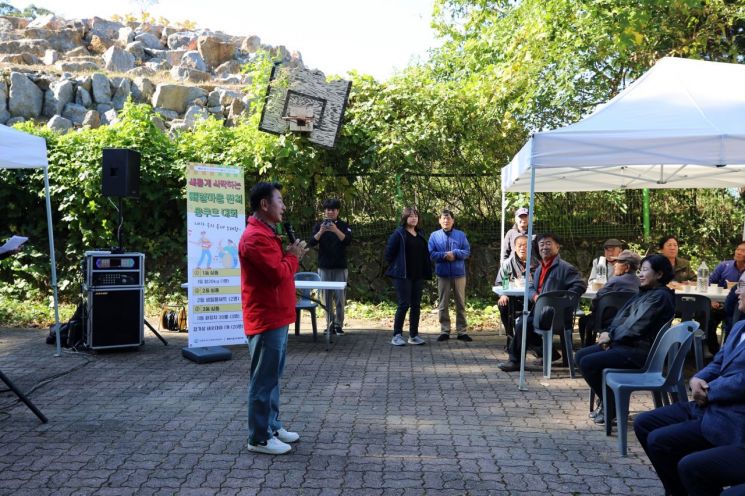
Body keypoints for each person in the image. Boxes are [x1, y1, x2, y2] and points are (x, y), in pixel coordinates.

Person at [633, 284, 745, 496]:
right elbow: (719, 361)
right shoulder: (740, 327)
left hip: (729, 413)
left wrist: (709, 390)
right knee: (644, 423)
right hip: (708, 403)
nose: (737, 292)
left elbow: (742, 381)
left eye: (742, 286)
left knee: (667, 446)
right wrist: (698, 378)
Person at [239, 182, 309, 455]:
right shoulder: (254, 237)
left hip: (277, 315)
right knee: (263, 379)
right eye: (279, 200)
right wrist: (293, 257)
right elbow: (277, 274)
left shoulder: (268, 233)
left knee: (273, 376)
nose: (284, 206)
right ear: (264, 205)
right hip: (265, 318)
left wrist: (289, 254)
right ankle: (258, 437)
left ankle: (272, 425)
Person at [575, 254, 675, 425]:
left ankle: (612, 406)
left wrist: (612, 338)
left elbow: (638, 326)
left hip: (640, 352)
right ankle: (610, 402)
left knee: (589, 363)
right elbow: (622, 318)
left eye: (645, 270)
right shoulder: (646, 292)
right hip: (626, 344)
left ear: (659, 274)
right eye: (640, 270)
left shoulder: (659, 297)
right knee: (580, 356)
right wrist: (609, 335)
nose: (640, 274)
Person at [498, 232, 587, 372]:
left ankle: (515, 360)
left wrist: (561, 301)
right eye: (541, 244)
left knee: (523, 324)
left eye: (548, 243)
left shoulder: (566, 268)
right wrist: (534, 296)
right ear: (538, 249)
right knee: (522, 322)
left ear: (558, 247)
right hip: (540, 311)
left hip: (557, 315)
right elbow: (531, 287)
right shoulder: (540, 268)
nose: (544, 247)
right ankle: (547, 355)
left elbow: (580, 286)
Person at [385, 206, 432, 346]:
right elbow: (388, 254)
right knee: (404, 304)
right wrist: (398, 266)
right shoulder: (398, 234)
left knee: (416, 305)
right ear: (405, 218)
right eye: (411, 216)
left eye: (416, 216)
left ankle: (413, 335)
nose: (414, 218)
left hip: (418, 275)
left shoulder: (420, 234)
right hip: (402, 275)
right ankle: (397, 335)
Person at [579, 249, 641, 347]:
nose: (615, 265)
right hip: (630, 322)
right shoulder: (640, 283)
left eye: (618, 262)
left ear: (627, 267)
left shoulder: (615, 281)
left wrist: (593, 310)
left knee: (583, 320)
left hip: (606, 322)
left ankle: (586, 346)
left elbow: (597, 300)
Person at [308, 198, 353, 336]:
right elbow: (312, 242)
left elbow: (348, 241)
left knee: (340, 297)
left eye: (332, 209)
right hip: (324, 267)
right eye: (327, 209)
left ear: (337, 211)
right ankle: (329, 324)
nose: (329, 212)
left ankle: (338, 324)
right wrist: (321, 231)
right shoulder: (319, 225)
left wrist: (335, 230)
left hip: (340, 266)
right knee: (325, 297)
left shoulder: (344, 225)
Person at [428, 209, 472, 342]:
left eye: (448, 218)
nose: (446, 221)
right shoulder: (434, 236)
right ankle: (444, 331)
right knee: (443, 304)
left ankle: (462, 331)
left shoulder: (461, 235)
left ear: (453, 221)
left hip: (459, 274)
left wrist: (456, 253)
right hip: (442, 275)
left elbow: (467, 252)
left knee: (461, 303)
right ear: (439, 221)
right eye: (443, 218)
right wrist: (444, 256)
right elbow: (431, 254)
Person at [706, 241, 745, 353]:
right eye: (738, 249)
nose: (738, 252)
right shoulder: (724, 266)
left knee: (733, 321)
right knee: (709, 318)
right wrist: (711, 301)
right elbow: (708, 283)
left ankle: (728, 352)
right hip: (720, 305)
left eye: (743, 251)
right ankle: (714, 352)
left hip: (739, 308)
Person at [496, 234, 531, 341]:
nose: (522, 248)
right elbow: (501, 283)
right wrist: (503, 294)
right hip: (513, 298)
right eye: (519, 245)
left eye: (525, 245)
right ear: (515, 248)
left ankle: (533, 340)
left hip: (532, 298)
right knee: (503, 305)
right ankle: (510, 336)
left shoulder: (537, 263)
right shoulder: (507, 264)